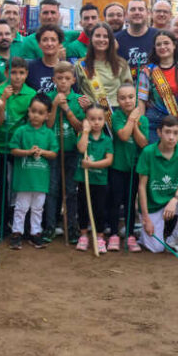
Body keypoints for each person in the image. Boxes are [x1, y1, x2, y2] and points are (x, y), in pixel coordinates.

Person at [136, 115, 178, 256]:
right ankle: (142, 230)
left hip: (171, 201)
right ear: (159, 133)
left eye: (175, 133)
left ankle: (174, 240)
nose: (171, 137)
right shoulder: (148, 152)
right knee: (156, 249)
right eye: (167, 132)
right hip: (152, 205)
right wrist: (146, 218)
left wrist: (174, 201)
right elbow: (141, 187)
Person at [0, 57, 36, 237]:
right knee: (1, 186)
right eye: (14, 73)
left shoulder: (31, 94)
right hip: (0, 145)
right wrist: (2, 100)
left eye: (21, 73)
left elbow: (31, 122)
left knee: (19, 186)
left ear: (26, 74)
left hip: (19, 147)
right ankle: (1, 223)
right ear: (6, 73)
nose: (17, 77)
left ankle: (19, 223)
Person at [8, 94, 58, 249]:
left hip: (41, 180)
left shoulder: (49, 133)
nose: (36, 115)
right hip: (24, 179)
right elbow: (13, 150)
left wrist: (42, 152)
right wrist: (28, 152)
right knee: (21, 207)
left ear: (47, 115)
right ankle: (17, 232)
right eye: (33, 111)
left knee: (38, 208)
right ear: (29, 111)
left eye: (41, 113)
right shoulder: (21, 131)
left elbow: (54, 153)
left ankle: (35, 233)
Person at [46, 61, 85, 243]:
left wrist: (67, 109)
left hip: (72, 151)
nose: (63, 82)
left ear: (73, 80)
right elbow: (47, 125)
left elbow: (79, 127)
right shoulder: (48, 97)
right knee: (53, 189)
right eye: (59, 78)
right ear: (54, 79)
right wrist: (54, 106)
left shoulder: (78, 100)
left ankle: (71, 227)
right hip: (54, 152)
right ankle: (50, 227)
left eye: (67, 78)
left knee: (70, 190)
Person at [108, 83, 149, 251]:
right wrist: (132, 120)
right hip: (118, 166)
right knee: (115, 201)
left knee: (131, 201)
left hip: (134, 167)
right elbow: (124, 136)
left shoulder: (144, 119)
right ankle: (113, 234)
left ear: (136, 99)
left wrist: (135, 122)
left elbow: (143, 143)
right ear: (118, 100)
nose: (127, 101)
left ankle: (130, 234)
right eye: (123, 98)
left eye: (131, 97)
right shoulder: (116, 116)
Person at [139, 30, 178, 143]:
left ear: (174, 45)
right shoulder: (147, 71)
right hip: (155, 122)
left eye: (166, 43)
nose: (162, 47)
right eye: (158, 44)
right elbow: (141, 100)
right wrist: (141, 125)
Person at [75, 105, 114, 253]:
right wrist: (85, 131)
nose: (96, 122)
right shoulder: (83, 135)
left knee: (100, 210)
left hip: (100, 181)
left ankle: (99, 237)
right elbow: (80, 148)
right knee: (83, 208)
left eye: (99, 119)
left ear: (104, 120)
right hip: (84, 180)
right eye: (92, 119)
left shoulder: (107, 140)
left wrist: (91, 164)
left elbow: (109, 161)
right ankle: (83, 235)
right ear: (86, 120)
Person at [74, 22, 133, 111]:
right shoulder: (80, 65)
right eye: (97, 36)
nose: (101, 39)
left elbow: (128, 91)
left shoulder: (121, 63)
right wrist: (82, 101)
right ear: (91, 39)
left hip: (116, 116)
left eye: (105, 36)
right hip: (90, 114)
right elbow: (75, 92)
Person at [115, 0, 157, 80]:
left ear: (148, 13)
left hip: (154, 89)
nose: (137, 12)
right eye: (133, 9)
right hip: (124, 88)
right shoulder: (115, 39)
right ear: (126, 15)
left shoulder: (158, 37)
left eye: (141, 9)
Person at [26, 24, 64, 95]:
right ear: (39, 44)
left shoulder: (67, 68)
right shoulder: (30, 67)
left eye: (53, 40)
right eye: (45, 40)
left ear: (59, 43)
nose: (49, 43)